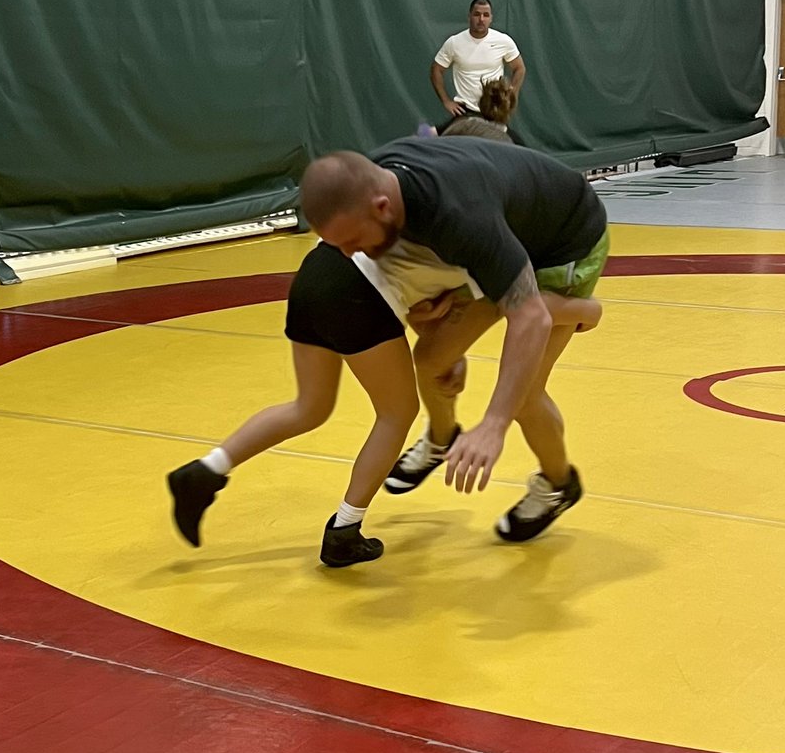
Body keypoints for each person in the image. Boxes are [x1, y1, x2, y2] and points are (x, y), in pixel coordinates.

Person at [166, 234, 602, 567]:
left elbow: (421, 305)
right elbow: (433, 309)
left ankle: (207, 469)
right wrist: (587, 312)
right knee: (396, 413)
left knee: (309, 406)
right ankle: (344, 530)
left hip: (315, 273)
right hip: (357, 296)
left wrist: (444, 345)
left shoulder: (415, 188)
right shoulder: (474, 231)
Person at [299, 136, 610, 541]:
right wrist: (426, 322)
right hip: (506, 237)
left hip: (565, 242)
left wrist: (493, 424)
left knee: (524, 393)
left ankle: (558, 484)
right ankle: (443, 437)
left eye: (354, 243)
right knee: (430, 360)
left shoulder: (459, 216)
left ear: (381, 208)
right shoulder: (379, 180)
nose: (349, 255)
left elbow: (528, 318)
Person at [430, 0, 525, 130]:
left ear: (491, 18)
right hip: (465, 112)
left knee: (514, 147)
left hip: (494, 112)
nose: (481, 19)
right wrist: (446, 101)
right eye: (477, 14)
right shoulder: (454, 43)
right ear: (469, 17)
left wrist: (512, 93)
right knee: (428, 135)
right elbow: (436, 69)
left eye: (486, 15)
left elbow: (519, 68)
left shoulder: (503, 41)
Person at [442, 77, 524, 145]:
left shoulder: (460, 125)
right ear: (511, 109)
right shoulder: (516, 145)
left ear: (481, 103)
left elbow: (431, 135)